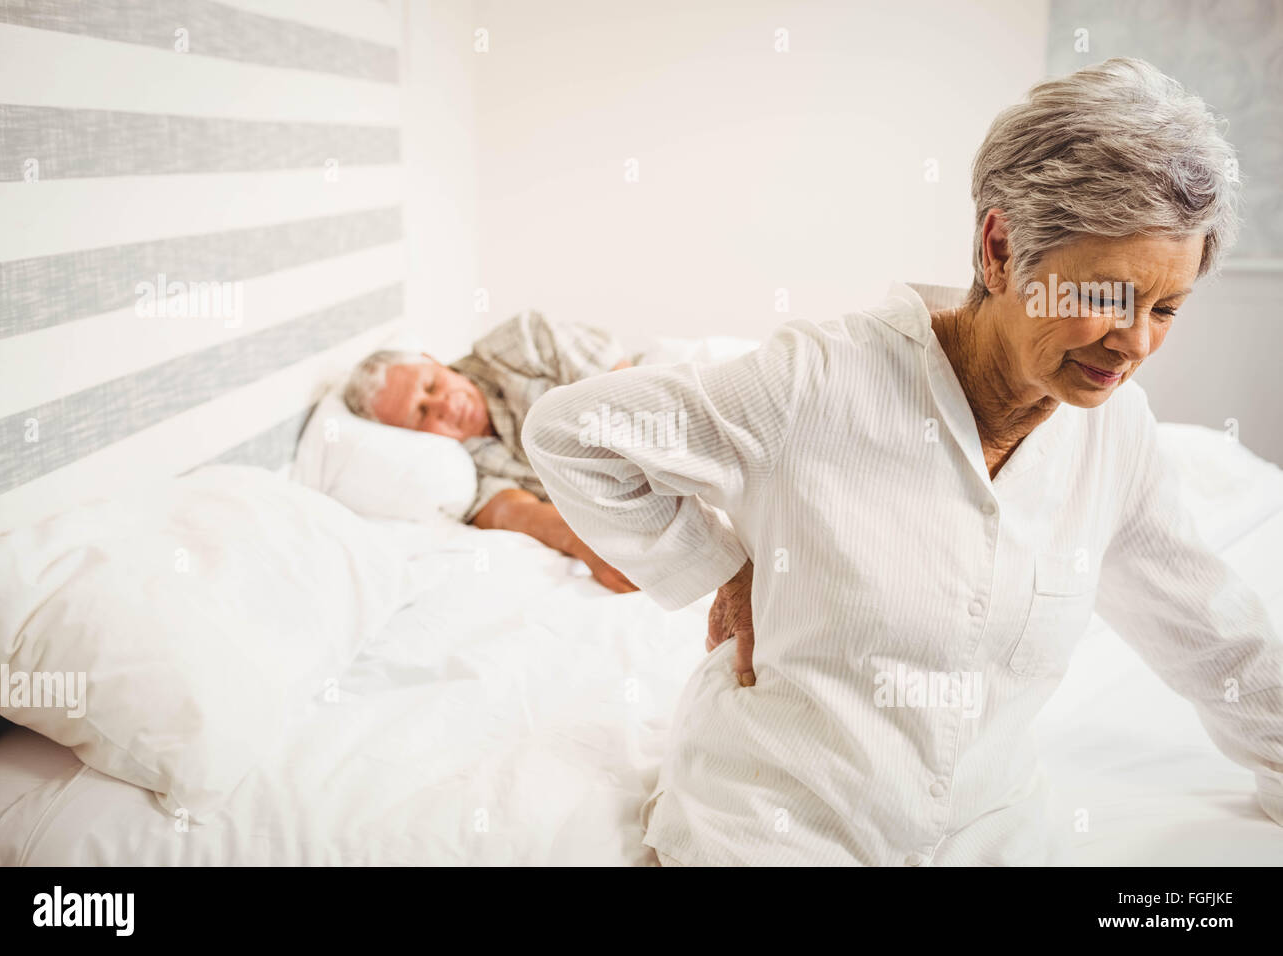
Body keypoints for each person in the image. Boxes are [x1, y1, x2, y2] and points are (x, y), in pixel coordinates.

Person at [520, 58, 1283, 865]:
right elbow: (574, 434)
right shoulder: (817, 382)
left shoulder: (1115, 432)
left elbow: (1211, 629)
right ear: (1000, 248)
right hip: (775, 831)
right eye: (1103, 298)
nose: (1133, 345)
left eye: (1165, 309)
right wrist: (715, 563)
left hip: (989, 836)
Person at [342, 312, 637, 592]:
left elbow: (636, 395)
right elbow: (514, 512)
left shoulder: (519, 344)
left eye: (432, 385)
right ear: (409, 436)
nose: (445, 405)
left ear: (433, 361)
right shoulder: (456, 470)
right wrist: (591, 544)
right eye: (421, 414)